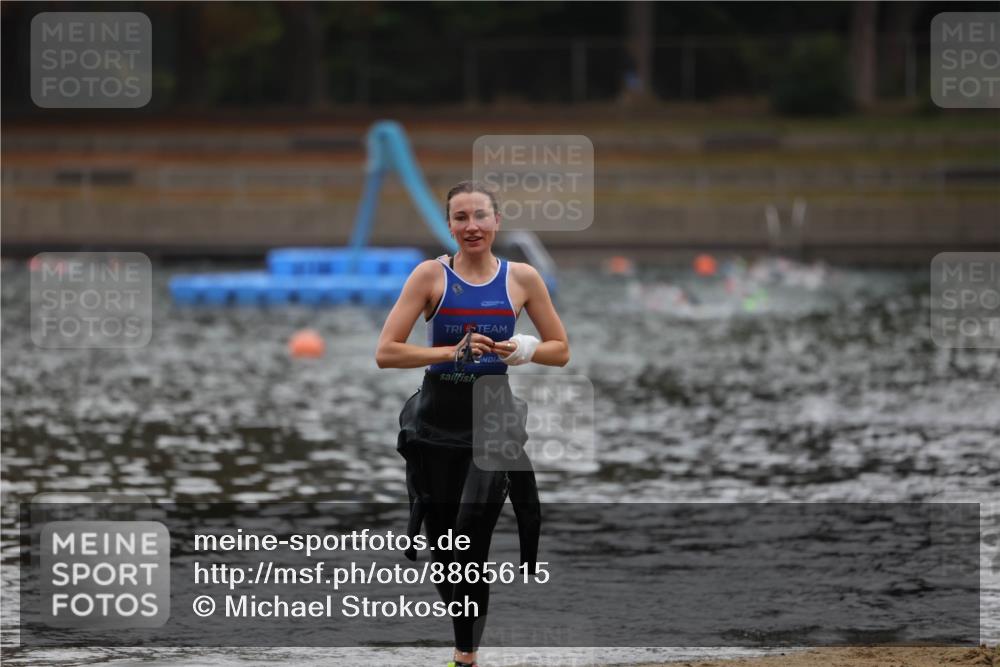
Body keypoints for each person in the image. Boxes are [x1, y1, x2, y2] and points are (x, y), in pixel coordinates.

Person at [375, 181, 569, 667]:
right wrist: (451, 351)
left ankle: (465, 657)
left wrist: (524, 348)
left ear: (496, 221)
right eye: (460, 218)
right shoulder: (429, 277)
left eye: (480, 216)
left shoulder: (522, 279)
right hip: (435, 425)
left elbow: (560, 350)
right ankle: (465, 647)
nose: (472, 226)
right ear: (450, 226)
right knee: (447, 548)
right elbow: (386, 352)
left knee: (472, 535)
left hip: (494, 422)